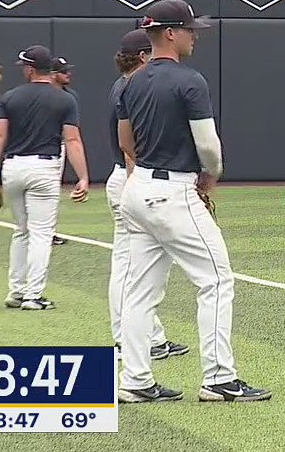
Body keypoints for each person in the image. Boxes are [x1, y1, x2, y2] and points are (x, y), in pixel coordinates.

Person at [115, 0, 269, 404]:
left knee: (139, 293)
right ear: (169, 33)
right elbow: (208, 145)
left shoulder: (132, 81)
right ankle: (218, 379)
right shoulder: (189, 80)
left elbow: (125, 141)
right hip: (173, 190)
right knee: (217, 280)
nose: (194, 35)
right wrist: (210, 175)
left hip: (138, 186)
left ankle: (134, 380)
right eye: (189, 29)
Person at [0, 45, 90, 310]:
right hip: (44, 168)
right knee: (41, 233)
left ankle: (16, 291)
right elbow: (72, 140)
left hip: (13, 167)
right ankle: (33, 295)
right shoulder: (65, 99)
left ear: (30, 69)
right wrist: (83, 176)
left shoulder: (10, 97)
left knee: (21, 231)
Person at [107, 29, 189, 362]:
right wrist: (135, 185)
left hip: (126, 179)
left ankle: (139, 337)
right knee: (133, 267)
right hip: (133, 178)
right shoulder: (133, 86)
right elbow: (131, 147)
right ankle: (137, 340)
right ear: (143, 56)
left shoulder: (123, 85)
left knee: (126, 265)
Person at [50, 55, 77, 247]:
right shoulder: (42, 93)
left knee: (53, 190)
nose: (68, 74)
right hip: (41, 148)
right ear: (52, 74)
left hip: (59, 145)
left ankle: (49, 230)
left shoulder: (70, 96)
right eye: (63, 71)